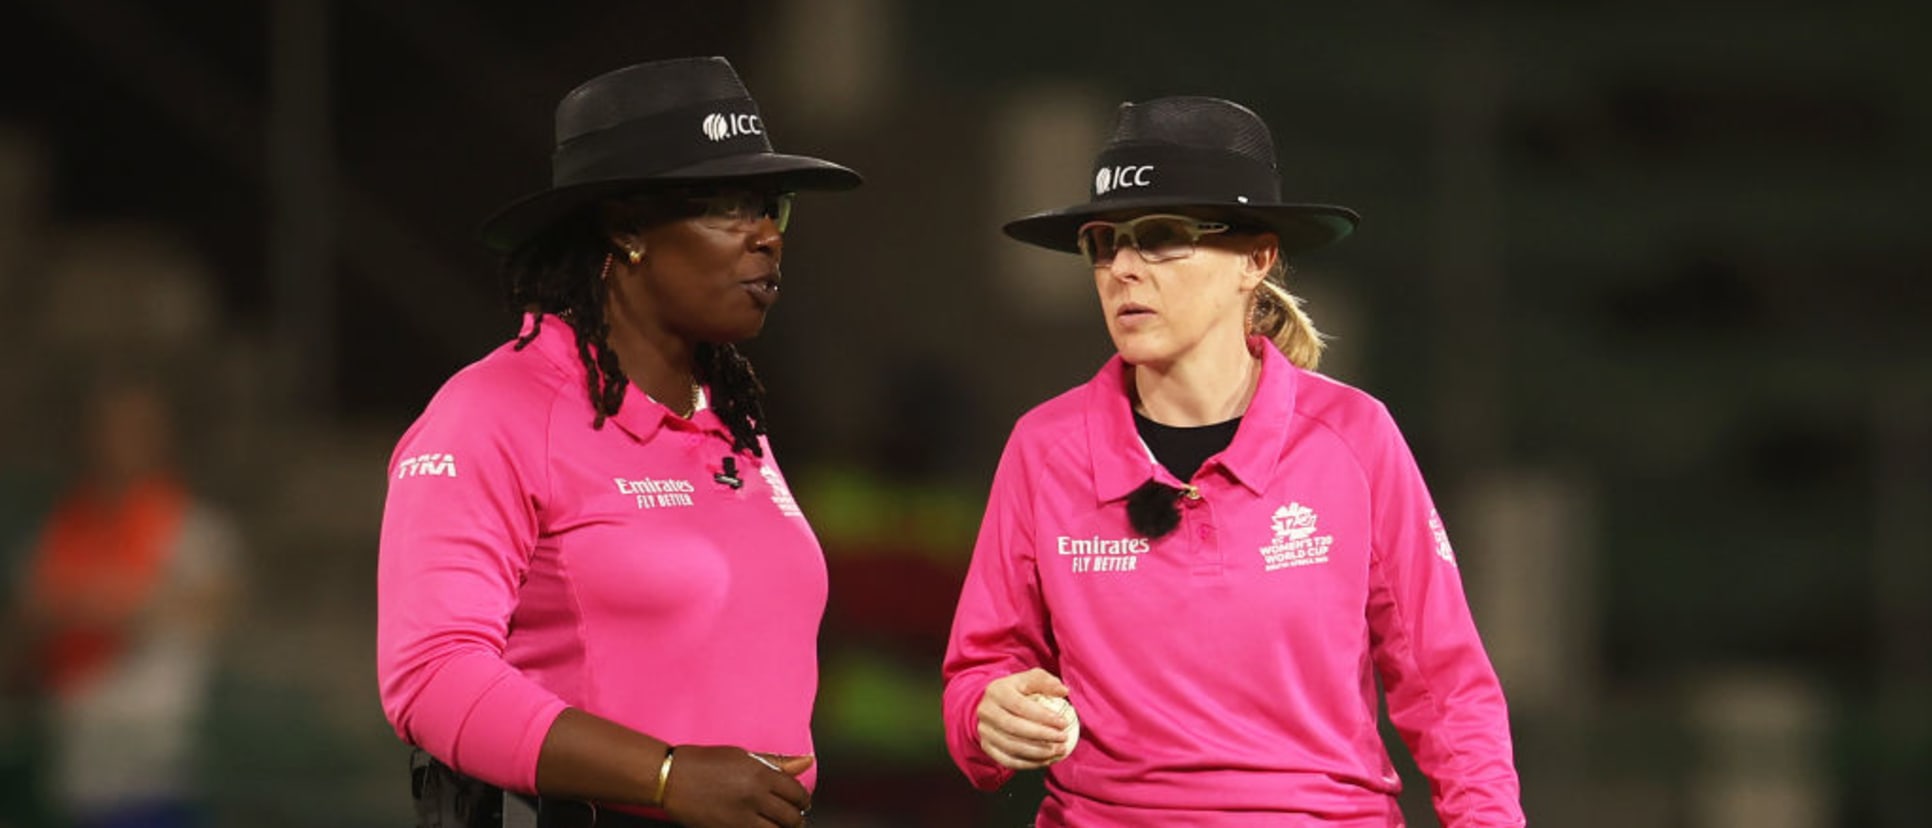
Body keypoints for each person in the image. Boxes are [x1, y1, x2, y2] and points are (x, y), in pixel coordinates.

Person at [941, 96, 1525, 826]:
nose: (1123, 268)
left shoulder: (1356, 437)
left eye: (1159, 238)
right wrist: (985, 718)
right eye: (1103, 242)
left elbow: (1447, 689)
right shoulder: (1043, 447)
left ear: (1257, 258)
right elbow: (980, 676)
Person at [376, 56, 860, 828]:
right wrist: (664, 776)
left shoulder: (730, 417)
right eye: (729, 206)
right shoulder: (491, 412)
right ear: (627, 224)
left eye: (773, 207)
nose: (766, 236)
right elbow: (430, 676)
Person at [7, 374, 239, 828]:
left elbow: (215, 605)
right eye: (109, 431)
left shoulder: (195, 531)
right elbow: (23, 630)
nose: (119, 446)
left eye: (136, 431)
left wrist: (113, 602)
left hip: (160, 772)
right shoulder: (58, 535)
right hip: (75, 767)